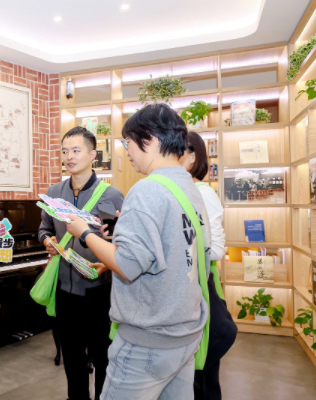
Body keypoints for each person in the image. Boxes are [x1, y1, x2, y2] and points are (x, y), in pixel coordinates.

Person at [65, 104, 211, 400]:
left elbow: (128, 264)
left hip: (148, 340)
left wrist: (84, 233)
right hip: (184, 333)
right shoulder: (188, 186)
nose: (126, 151)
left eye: (128, 142)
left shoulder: (147, 190)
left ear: (150, 139)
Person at [38, 126, 124, 400]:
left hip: (99, 291)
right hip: (65, 291)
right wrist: (47, 241)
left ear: (92, 155)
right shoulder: (54, 193)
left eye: (76, 150)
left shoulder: (110, 196)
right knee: (73, 361)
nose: (69, 157)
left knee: (103, 358)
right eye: (65, 151)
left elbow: (118, 243)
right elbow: (44, 228)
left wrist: (107, 265)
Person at [180, 131, 236, 400]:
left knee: (203, 380)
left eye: (176, 151)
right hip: (187, 297)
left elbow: (216, 250)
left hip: (203, 294)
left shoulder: (203, 193)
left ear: (192, 157)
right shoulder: (180, 192)